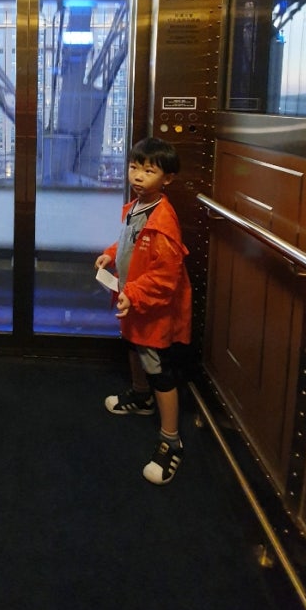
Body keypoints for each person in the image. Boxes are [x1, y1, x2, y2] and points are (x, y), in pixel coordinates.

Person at [95, 137, 192, 485]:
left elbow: (166, 278)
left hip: (153, 308)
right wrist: (110, 254)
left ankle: (171, 440)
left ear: (167, 178)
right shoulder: (138, 205)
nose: (137, 176)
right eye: (134, 167)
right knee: (134, 345)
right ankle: (140, 396)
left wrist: (133, 293)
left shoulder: (163, 221)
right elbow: (128, 242)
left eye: (148, 171)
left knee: (158, 368)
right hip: (135, 302)